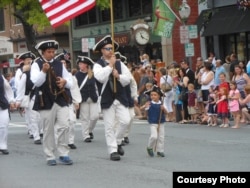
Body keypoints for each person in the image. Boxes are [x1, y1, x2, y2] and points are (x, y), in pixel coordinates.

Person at [30, 40, 73, 166]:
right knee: (48, 129)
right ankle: (50, 155)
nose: (52, 54)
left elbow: (70, 81)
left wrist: (65, 82)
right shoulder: (36, 64)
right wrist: (43, 71)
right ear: (43, 52)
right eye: (49, 52)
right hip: (45, 99)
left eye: (53, 52)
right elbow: (36, 82)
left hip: (60, 98)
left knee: (65, 125)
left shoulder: (59, 64)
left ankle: (64, 153)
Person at [92, 35, 131, 161]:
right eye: (107, 48)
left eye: (111, 48)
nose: (110, 50)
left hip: (120, 97)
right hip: (107, 98)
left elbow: (128, 79)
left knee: (126, 120)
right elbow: (100, 77)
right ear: (102, 51)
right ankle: (113, 150)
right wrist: (110, 67)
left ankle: (118, 140)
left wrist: (118, 76)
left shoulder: (120, 64)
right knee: (109, 126)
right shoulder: (97, 65)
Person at [15, 51, 43, 144]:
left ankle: (41, 131)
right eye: (28, 61)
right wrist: (18, 100)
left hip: (41, 96)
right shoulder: (25, 74)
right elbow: (20, 88)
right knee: (33, 117)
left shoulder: (41, 73)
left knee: (41, 117)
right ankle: (36, 136)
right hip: (31, 96)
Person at [56, 53, 82, 149]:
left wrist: (76, 101)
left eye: (65, 63)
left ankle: (70, 141)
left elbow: (74, 89)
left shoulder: (70, 76)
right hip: (58, 102)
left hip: (69, 101)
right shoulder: (54, 75)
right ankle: (61, 141)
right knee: (62, 124)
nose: (63, 64)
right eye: (61, 62)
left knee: (72, 121)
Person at [75, 56, 98, 143]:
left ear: (86, 65)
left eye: (81, 64)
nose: (80, 65)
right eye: (79, 64)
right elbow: (75, 88)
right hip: (83, 99)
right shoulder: (77, 75)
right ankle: (86, 135)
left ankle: (89, 130)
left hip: (93, 98)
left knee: (95, 117)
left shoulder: (92, 74)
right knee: (84, 118)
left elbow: (96, 86)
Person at [142, 85, 166, 157]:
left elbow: (167, 113)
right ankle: (149, 147)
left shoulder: (161, 104)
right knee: (154, 136)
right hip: (152, 122)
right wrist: (145, 107)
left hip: (161, 122)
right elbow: (142, 110)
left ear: (159, 96)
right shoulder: (149, 103)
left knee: (161, 137)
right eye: (151, 95)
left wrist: (163, 109)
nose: (153, 96)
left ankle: (160, 150)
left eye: (155, 95)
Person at [0, 73, 15, 155]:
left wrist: (11, 101)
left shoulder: (1, 77)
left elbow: (8, 90)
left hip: (2, 104)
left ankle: (2, 145)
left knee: (4, 124)